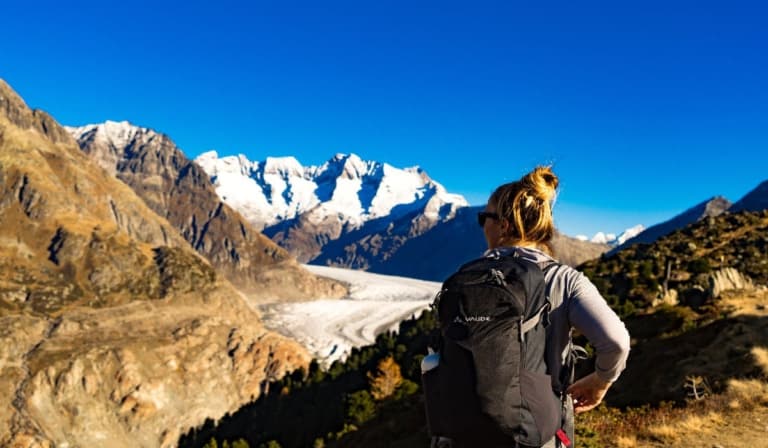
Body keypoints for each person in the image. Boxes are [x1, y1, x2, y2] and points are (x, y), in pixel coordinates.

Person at [474, 165, 631, 447]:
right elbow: (616, 342)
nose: (482, 224)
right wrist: (600, 382)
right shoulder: (564, 280)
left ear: (504, 226)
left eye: (484, 217)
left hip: (466, 430)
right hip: (534, 432)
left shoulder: (467, 280)